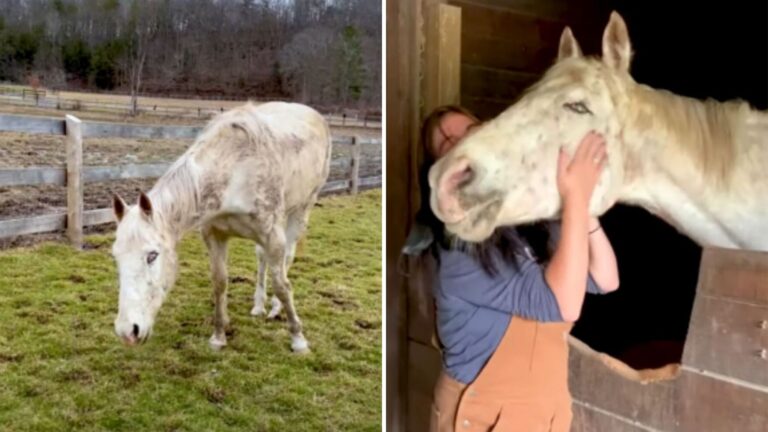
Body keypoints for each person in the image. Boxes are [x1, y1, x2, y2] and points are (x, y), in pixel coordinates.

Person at [402, 105, 620, 432]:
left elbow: (605, 278)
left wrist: (583, 209)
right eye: (447, 143)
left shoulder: (529, 223)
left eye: (470, 131)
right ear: (442, 172)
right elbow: (563, 303)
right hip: (480, 418)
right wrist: (575, 195)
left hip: (541, 415)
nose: (463, 142)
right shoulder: (462, 249)